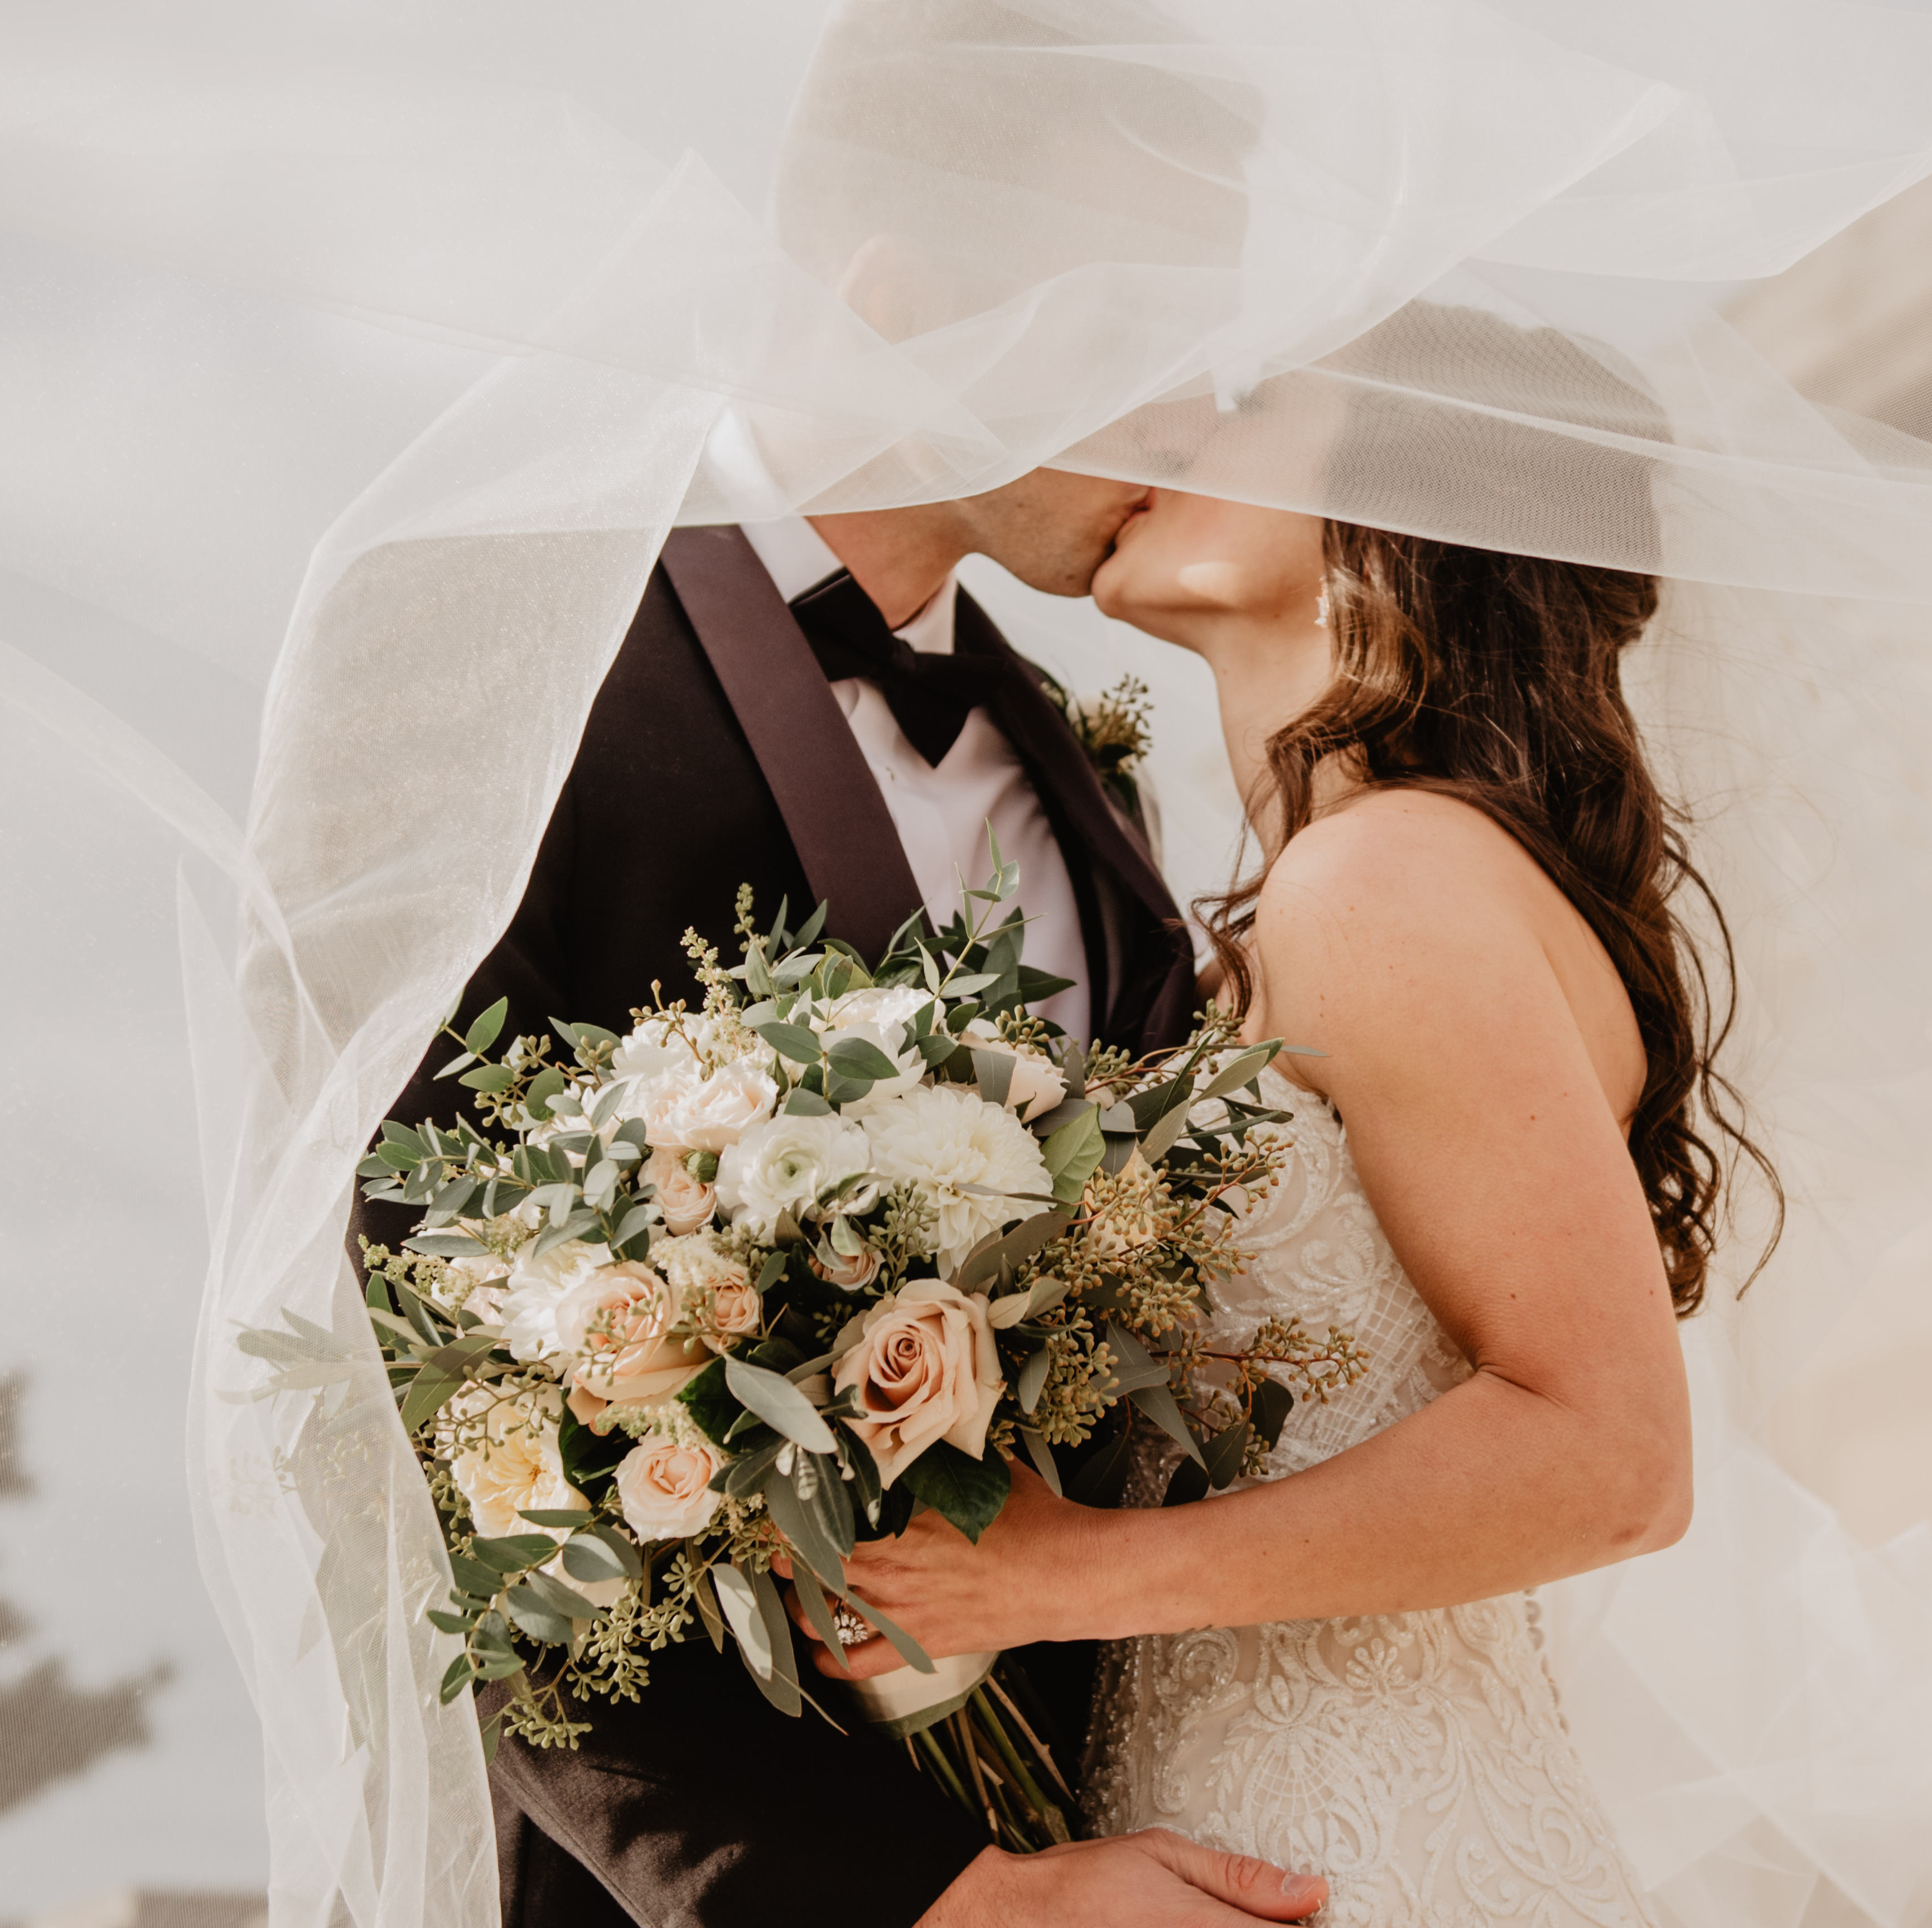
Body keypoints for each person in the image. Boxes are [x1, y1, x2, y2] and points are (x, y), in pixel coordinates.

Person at [798, 316, 1749, 1923]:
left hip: (1355, 1843)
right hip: (1255, 1819)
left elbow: (1614, 1457)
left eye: (1243, 409)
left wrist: (1050, 1578)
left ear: (1388, 511)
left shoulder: (1384, 884)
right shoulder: (1345, 891)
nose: (1159, 425)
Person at [369, 460, 1321, 1926]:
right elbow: (427, 1373)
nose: (1190, 429)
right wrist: (920, 1900)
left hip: (1131, 1838)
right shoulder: (508, 655)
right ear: (920, 288)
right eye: (1143, 331)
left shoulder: (1083, 767)